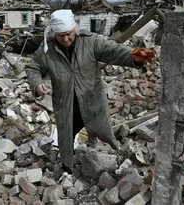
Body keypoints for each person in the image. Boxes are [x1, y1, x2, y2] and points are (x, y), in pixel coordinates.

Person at [25, 9, 155, 172]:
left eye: (69, 34)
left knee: (103, 131)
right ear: (54, 33)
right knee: (66, 135)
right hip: (66, 104)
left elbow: (114, 50)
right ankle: (67, 168)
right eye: (61, 36)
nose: (66, 39)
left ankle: (118, 153)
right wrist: (37, 83)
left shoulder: (90, 42)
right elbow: (33, 67)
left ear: (75, 29)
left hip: (91, 99)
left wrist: (138, 56)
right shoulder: (47, 50)